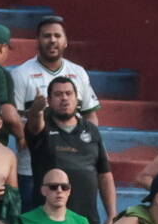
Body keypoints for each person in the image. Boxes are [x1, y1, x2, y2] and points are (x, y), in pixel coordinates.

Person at [11, 14, 100, 209]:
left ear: (65, 41)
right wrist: (24, 137)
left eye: (57, 36)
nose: (52, 40)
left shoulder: (79, 73)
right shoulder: (21, 74)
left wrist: (92, 144)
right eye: (47, 36)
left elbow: (89, 114)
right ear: (37, 40)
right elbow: (14, 118)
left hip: (74, 167)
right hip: (32, 168)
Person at [24, 76, 115, 224]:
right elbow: (34, 125)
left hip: (86, 222)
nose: (64, 98)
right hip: (49, 222)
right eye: (58, 94)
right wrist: (36, 110)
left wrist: (112, 213)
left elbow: (104, 174)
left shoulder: (91, 130)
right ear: (49, 100)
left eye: (68, 93)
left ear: (76, 98)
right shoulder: (43, 127)